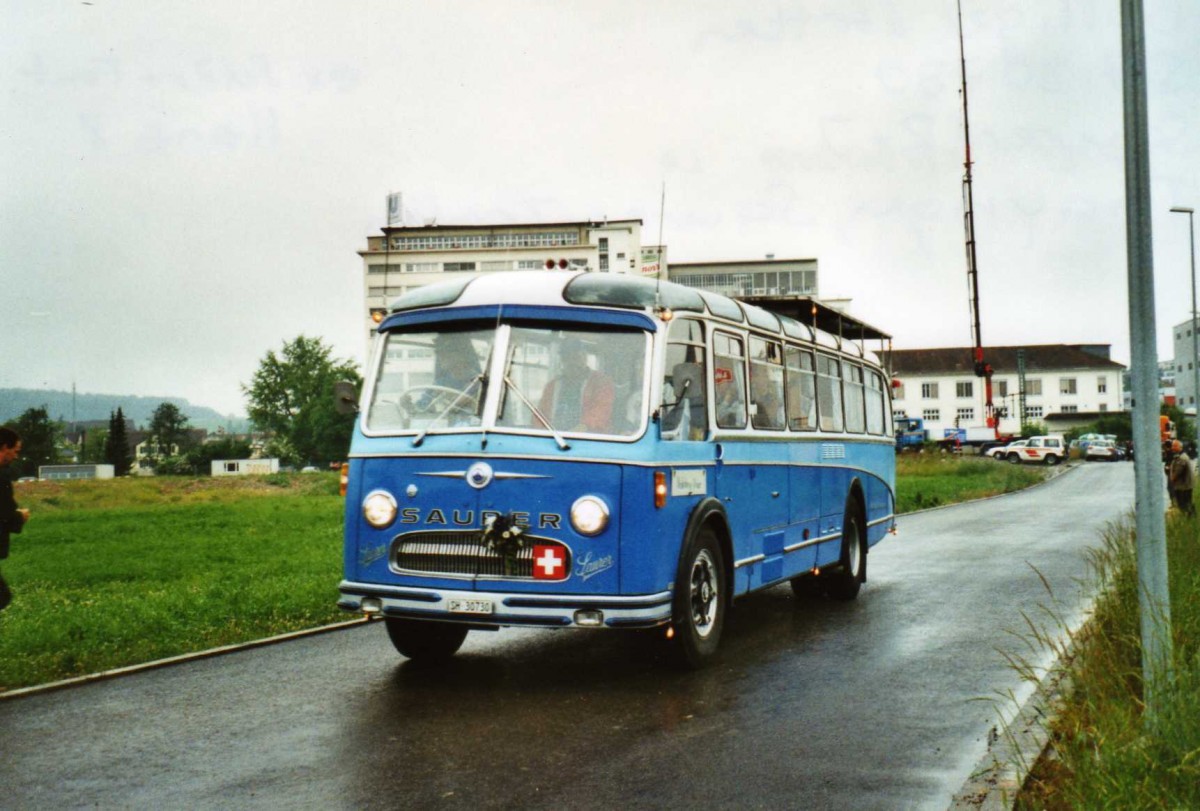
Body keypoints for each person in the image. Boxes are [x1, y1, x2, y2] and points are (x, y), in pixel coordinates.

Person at [539, 339, 615, 433]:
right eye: (566, 358)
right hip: (555, 438)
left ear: (584, 357)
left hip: (591, 440)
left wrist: (582, 428)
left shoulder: (601, 382)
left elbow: (601, 410)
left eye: (575, 357)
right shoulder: (552, 386)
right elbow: (540, 415)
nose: (571, 362)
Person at [1, 427, 31, 612]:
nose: (16, 456)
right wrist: (21, 516)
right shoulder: (1, 476)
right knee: (2, 596)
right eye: (15, 451)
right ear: (4, 447)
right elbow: (5, 514)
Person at [1169, 439, 1195, 517]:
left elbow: (1176, 473)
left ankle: (1189, 519)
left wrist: (1171, 477)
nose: (1172, 448)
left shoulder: (1181, 458)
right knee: (1187, 504)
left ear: (1179, 447)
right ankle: (1191, 518)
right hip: (1185, 486)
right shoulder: (1182, 456)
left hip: (1183, 487)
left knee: (1184, 506)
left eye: (1174, 446)